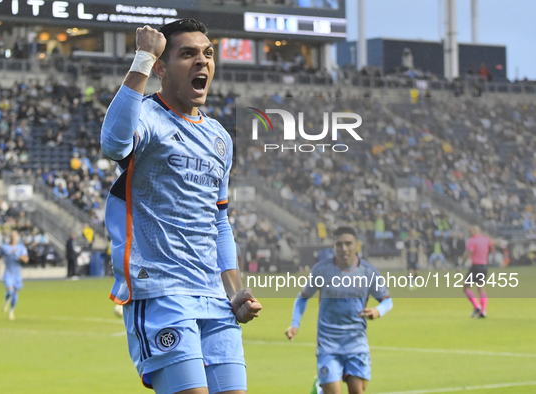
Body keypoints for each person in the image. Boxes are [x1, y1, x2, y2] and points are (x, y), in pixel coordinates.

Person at [100, 19, 261, 394]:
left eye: (207, 53)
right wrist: (142, 57)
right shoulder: (147, 117)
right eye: (187, 54)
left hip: (213, 297)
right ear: (161, 67)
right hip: (161, 293)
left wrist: (234, 290)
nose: (201, 62)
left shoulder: (220, 137)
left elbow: (219, 221)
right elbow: (112, 143)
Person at [285, 226, 393, 394]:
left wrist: (378, 311)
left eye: (348, 244)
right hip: (328, 344)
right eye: (339, 244)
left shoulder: (368, 272)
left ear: (357, 245)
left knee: (357, 391)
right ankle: (322, 388)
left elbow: (387, 301)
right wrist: (294, 324)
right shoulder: (322, 270)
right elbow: (303, 297)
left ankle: (320, 388)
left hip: (356, 343)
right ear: (333, 246)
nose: (344, 248)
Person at [461, 226, 493, 318]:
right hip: (484, 266)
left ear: (475, 231)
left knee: (466, 287)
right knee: (481, 288)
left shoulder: (472, 240)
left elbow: (468, 253)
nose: (469, 233)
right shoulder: (486, 239)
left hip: (476, 266)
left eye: (470, 231)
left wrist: (462, 264)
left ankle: (476, 307)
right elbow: (491, 248)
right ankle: (483, 311)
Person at [0, 230, 29, 320]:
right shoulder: (5, 247)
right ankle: (6, 302)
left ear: (17, 237)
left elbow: (26, 260)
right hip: (8, 272)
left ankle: (11, 311)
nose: (13, 237)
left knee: (15, 293)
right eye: (12, 236)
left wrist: (18, 254)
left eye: (15, 236)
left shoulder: (21, 247)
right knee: (10, 291)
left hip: (17, 274)